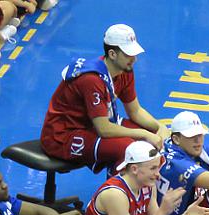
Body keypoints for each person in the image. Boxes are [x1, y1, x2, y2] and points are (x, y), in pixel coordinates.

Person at [40, 24, 168, 173]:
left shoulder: (124, 71)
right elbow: (104, 130)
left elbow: (135, 111)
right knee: (128, 149)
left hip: (92, 125)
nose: (134, 59)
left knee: (149, 139)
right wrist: (144, 134)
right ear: (113, 54)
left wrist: (159, 127)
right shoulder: (91, 80)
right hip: (62, 136)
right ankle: (114, 194)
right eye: (128, 54)